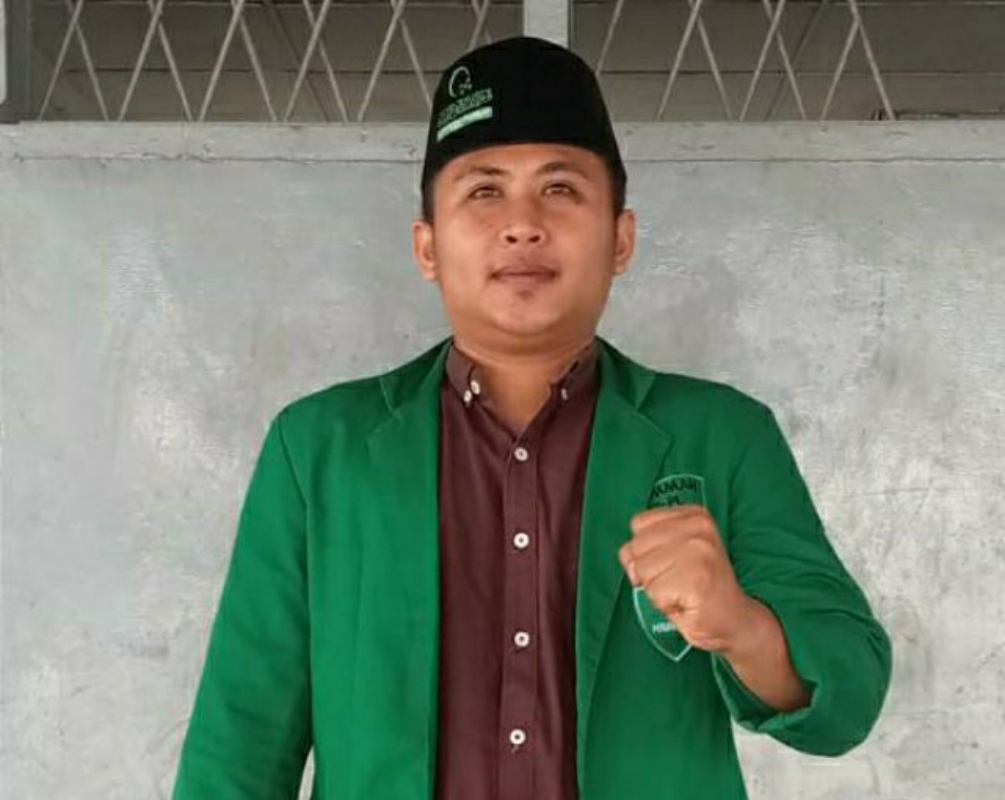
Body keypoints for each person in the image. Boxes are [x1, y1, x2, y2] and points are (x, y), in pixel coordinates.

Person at [171, 36, 891, 800]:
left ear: (620, 238)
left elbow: (847, 698)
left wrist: (739, 626)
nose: (522, 224)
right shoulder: (321, 449)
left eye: (560, 188)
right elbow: (239, 743)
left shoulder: (720, 437)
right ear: (427, 246)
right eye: (483, 191)